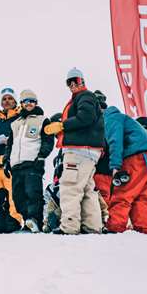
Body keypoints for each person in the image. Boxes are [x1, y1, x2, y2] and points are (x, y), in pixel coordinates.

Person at [43, 68, 104, 235]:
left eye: (75, 81)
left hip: (79, 150)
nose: (72, 85)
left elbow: (86, 117)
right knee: (87, 189)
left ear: (82, 81)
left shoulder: (85, 96)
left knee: (70, 187)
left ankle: (69, 226)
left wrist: (62, 125)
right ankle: (92, 225)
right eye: (68, 82)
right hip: (89, 152)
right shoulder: (83, 98)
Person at [102, 105, 147, 234]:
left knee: (123, 191)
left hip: (136, 154)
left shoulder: (110, 118)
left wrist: (115, 166)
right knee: (143, 195)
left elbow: (115, 141)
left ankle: (115, 227)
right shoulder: (122, 118)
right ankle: (142, 229)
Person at [5, 89, 54, 233]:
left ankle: (35, 220)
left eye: (32, 101)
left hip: (33, 163)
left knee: (32, 193)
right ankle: (27, 221)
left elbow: (48, 141)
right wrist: (7, 160)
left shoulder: (42, 120)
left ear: (36, 103)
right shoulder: (15, 123)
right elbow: (10, 144)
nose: (29, 104)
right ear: (21, 103)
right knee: (17, 196)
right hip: (16, 165)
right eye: (26, 101)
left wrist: (41, 156)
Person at [0, 87, 24, 233]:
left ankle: (14, 221)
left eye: (10, 98)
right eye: (4, 99)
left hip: (11, 164)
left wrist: (9, 140)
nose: (7, 101)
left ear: (15, 101)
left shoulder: (20, 119)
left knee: (13, 194)